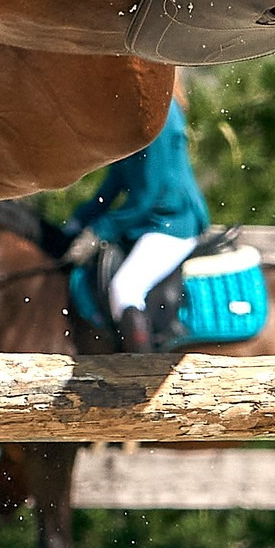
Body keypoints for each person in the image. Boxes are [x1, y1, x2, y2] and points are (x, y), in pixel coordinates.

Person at [71, 90, 210, 354]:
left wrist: (100, 230)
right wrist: (80, 220)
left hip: (172, 224)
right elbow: (116, 180)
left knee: (125, 288)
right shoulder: (131, 115)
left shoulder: (161, 113)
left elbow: (149, 196)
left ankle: (141, 378)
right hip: (147, 223)